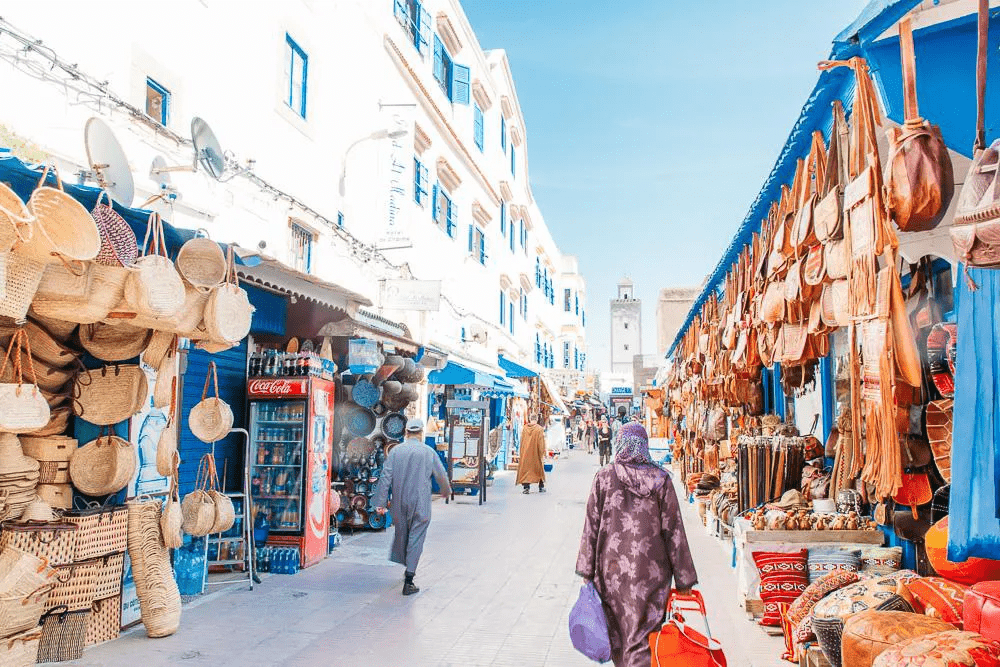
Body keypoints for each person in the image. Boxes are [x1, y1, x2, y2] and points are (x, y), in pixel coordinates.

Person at [576, 423, 698, 667]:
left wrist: (586, 571)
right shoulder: (661, 480)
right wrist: (684, 579)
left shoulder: (604, 477)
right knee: (645, 636)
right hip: (652, 574)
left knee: (619, 635)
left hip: (611, 573)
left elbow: (591, 525)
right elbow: (674, 530)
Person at [372, 418, 450, 596]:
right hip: (420, 502)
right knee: (416, 537)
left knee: (403, 533)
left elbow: (385, 477)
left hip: (399, 502)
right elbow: (441, 474)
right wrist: (446, 491)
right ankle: (409, 579)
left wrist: (380, 503)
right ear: (421, 433)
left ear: (406, 433)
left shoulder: (396, 452)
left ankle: (406, 565)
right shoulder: (428, 452)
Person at [516, 414, 546, 494]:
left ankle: (526, 487)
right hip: (535, 454)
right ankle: (541, 486)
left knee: (526, 470)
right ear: (536, 419)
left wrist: (521, 452)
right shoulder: (539, 429)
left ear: (530, 419)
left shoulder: (525, 428)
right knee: (538, 469)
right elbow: (541, 443)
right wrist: (542, 453)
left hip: (526, 453)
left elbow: (522, 441)